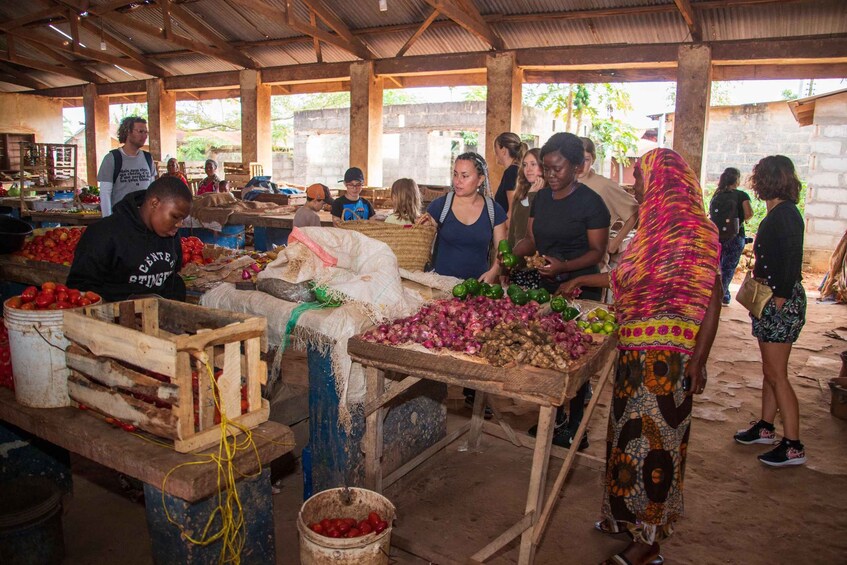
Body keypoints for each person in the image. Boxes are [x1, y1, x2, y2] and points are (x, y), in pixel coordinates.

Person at [560, 148, 722, 565]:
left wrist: (699, 361)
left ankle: (648, 542)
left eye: (639, 176)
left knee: (655, 449)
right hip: (632, 354)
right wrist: (579, 277)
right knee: (625, 440)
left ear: (662, 180)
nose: (634, 184)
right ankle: (620, 518)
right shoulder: (649, 230)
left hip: (669, 362)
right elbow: (621, 278)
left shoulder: (695, 232)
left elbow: (711, 301)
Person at [509, 132, 610, 449]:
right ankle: (556, 418)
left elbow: (598, 252)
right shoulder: (540, 199)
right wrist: (514, 254)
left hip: (580, 290)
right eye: (546, 168)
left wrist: (564, 267)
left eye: (557, 169)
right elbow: (532, 240)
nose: (550, 175)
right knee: (551, 355)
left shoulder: (592, 204)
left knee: (575, 358)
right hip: (547, 288)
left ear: (578, 167)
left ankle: (576, 428)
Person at [733, 155, 807, 467]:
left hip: (780, 301)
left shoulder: (786, 215)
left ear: (767, 180)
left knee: (778, 374)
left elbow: (789, 263)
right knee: (770, 371)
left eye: (758, 177)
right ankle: (765, 427)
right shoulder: (780, 212)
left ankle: (793, 445)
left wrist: (777, 301)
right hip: (774, 299)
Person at [68, 176, 192, 303]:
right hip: (110, 318)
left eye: (183, 219)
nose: (179, 224)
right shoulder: (103, 234)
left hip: (158, 317)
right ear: (154, 203)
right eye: (175, 216)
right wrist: (127, 304)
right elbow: (79, 289)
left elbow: (172, 277)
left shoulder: (170, 234)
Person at [425, 152, 506, 283]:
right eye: (455, 174)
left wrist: (493, 271)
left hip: (477, 288)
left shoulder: (494, 210)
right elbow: (421, 239)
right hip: (440, 287)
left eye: (465, 176)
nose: (458, 181)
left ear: (480, 180)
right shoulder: (440, 206)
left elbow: (501, 249)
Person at [579, 137, 640, 272]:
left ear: (593, 160)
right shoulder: (562, 184)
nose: (581, 164)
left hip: (595, 266)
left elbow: (634, 211)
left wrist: (615, 242)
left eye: (586, 159)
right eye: (577, 158)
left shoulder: (604, 186)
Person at [709, 167, 753, 305]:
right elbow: (748, 213)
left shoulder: (717, 195)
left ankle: (723, 294)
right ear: (737, 179)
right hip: (735, 236)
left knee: (717, 267)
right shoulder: (741, 195)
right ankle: (720, 296)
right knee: (728, 268)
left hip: (716, 236)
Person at [97, 116, 156, 217]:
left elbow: (152, 190)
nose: (144, 136)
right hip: (121, 218)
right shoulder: (112, 159)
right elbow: (105, 193)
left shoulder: (148, 158)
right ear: (128, 132)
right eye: (140, 131)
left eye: (146, 132)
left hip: (143, 219)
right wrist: (107, 221)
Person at [507, 148, 544, 289]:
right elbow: (513, 230)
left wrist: (533, 195)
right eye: (525, 165)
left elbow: (533, 226)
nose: (528, 169)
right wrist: (505, 266)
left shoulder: (549, 194)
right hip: (517, 264)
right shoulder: (520, 193)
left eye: (533, 164)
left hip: (536, 266)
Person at [492, 132, 527, 215]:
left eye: (496, 148)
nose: (494, 153)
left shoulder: (511, 172)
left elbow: (512, 209)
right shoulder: (516, 170)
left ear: (503, 150)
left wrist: (505, 228)